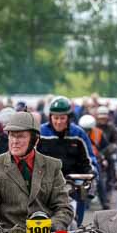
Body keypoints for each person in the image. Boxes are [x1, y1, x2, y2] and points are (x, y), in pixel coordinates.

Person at [38, 96, 96, 224]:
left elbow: (90, 158)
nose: (58, 122)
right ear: (50, 118)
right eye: (55, 118)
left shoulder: (78, 134)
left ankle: (75, 231)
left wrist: (92, 171)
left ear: (69, 118)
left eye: (62, 118)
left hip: (72, 183)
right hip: (45, 184)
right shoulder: (40, 133)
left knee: (78, 215)